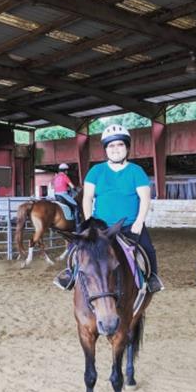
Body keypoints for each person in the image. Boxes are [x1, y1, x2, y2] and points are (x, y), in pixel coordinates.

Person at [54, 124, 163, 293]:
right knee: (77, 247)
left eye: (120, 144)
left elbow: (145, 198)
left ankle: (152, 278)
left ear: (127, 147)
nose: (116, 149)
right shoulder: (96, 171)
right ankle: (71, 273)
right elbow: (88, 197)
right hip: (101, 227)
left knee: (148, 249)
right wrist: (89, 221)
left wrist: (140, 222)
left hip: (129, 225)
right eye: (111, 145)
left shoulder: (136, 171)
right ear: (106, 149)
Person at [53, 163, 80, 228]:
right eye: (67, 170)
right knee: (76, 206)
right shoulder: (65, 176)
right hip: (63, 195)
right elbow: (72, 186)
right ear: (65, 171)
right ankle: (78, 225)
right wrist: (76, 190)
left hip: (56, 195)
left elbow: (57, 186)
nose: (67, 172)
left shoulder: (55, 177)